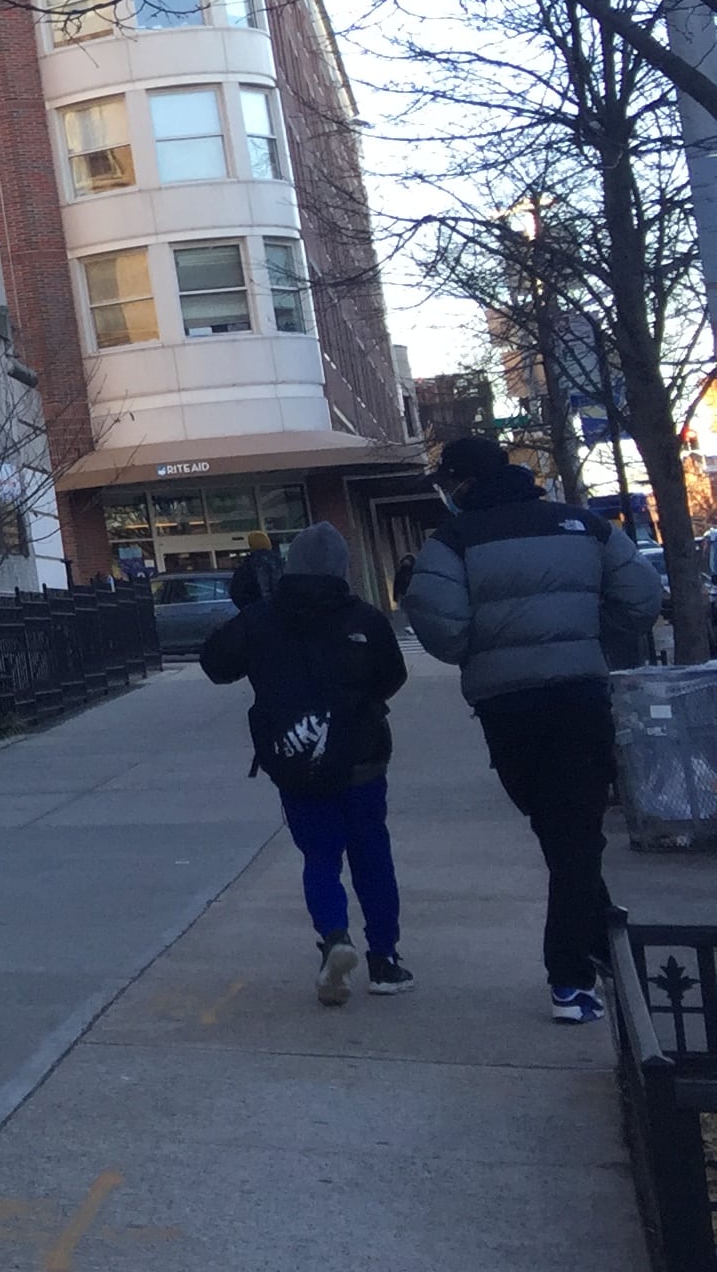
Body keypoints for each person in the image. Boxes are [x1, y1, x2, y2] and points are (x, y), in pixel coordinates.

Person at [404, 434, 666, 1024]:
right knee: (570, 828)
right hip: (579, 696)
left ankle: (571, 972)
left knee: (559, 828)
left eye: (449, 482)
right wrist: (588, 635)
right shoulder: (583, 527)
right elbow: (643, 597)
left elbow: (442, 631)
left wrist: (488, 647)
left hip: (508, 707)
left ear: (465, 483)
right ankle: (591, 935)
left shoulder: (452, 542)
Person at [201, 522, 413, 1005]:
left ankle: (334, 938)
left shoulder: (261, 619)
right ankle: (385, 959)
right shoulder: (364, 618)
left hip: (296, 761)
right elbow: (392, 677)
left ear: (291, 565)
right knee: (372, 856)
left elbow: (216, 664)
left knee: (320, 856)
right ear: (343, 567)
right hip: (361, 757)